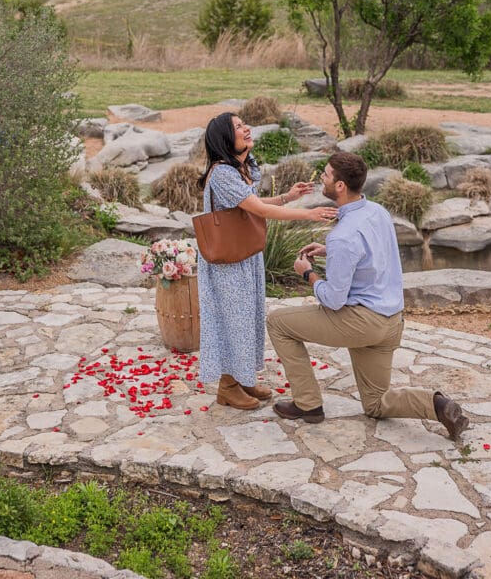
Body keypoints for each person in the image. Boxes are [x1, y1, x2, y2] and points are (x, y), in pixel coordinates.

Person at [266, 151, 469, 441]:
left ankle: (307, 404)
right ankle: (437, 405)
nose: (321, 178)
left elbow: (333, 300)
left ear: (339, 186)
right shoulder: (377, 212)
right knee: (375, 404)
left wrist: (307, 273)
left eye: (325, 174)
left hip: (360, 323)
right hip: (391, 322)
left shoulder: (343, 235)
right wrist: (329, 251)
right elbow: (371, 253)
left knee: (277, 322)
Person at [197, 112, 337, 412]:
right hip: (227, 261)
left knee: (247, 316)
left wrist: (287, 197)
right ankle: (227, 386)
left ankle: (242, 377)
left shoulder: (240, 169)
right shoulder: (222, 174)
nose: (246, 128)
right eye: (238, 127)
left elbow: (251, 207)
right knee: (233, 319)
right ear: (224, 138)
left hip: (243, 254)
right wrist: (308, 213)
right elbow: (260, 210)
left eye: (244, 124)